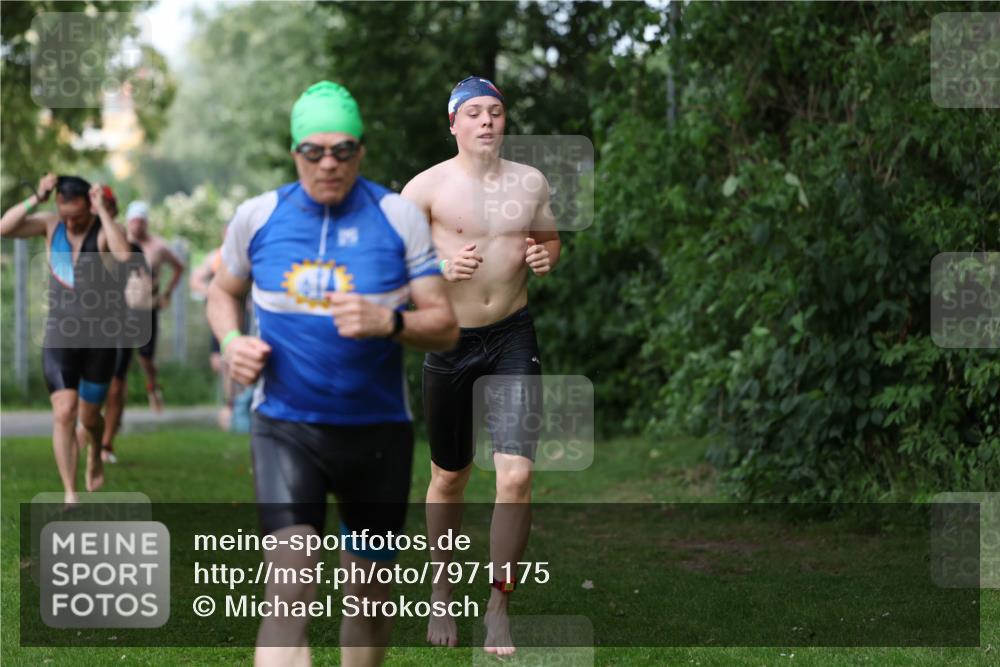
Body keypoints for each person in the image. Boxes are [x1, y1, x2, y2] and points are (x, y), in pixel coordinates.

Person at [207, 80, 458, 667]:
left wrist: (389, 322)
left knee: (369, 604)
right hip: (286, 428)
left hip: (376, 434)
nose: (328, 163)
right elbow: (222, 292)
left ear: (361, 152)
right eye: (314, 151)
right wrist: (231, 339)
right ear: (294, 152)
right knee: (289, 591)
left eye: (343, 150)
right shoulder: (258, 217)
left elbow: (444, 326)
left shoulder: (396, 218)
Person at [401, 75, 561, 655]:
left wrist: (547, 254)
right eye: (474, 112)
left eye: (496, 111)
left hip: (514, 336)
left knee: (515, 476)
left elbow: (549, 241)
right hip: (450, 340)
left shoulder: (531, 182)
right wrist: (437, 265)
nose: (488, 121)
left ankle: (498, 607)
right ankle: (442, 591)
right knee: (450, 476)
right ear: (453, 124)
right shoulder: (423, 189)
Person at [0, 173, 133, 505]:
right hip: (60, 333)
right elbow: (5, 227)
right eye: (65, 215)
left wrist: (102, 209)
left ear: (89, 207)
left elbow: (124, 255)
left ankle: (96, 452)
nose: (70, 223)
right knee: (64, 410)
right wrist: (38, 197)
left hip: (99, 339)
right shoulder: (50, 224)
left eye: (77, 216)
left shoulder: (103, 232)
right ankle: (70, 493)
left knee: (89, 419)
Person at [101, 187, 155, 463]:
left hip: (121, 325)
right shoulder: (82, 242)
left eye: (106, 206)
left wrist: (146, 293)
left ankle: (107, 443)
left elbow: (146, 285)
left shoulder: (131, 250)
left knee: (115, 385)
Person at [124, 200, 186, 413]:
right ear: (128, 222)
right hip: (121, 307)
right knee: (117, 356)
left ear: (146, 222)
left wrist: (167, 293)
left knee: (145, 357)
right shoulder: (119, 243)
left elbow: (179, 267)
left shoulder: (158, 246)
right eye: (133, 221)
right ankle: (116, 396)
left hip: (147, 307)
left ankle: (153, 388)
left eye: (141, 221)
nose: (137, 226)